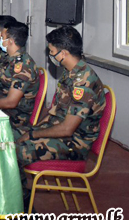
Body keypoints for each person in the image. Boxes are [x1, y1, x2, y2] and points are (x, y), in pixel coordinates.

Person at [14, 26, 106, 209]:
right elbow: (55, 111)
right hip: (61, 132)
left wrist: (33, 135)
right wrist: (33, 129)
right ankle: (18, 199)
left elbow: (67, 129)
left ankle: (25, 208)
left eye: (52, 51)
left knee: (17, 152)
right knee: (11, 137)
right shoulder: (70, 73)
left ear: (63, 53)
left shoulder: (84, 81)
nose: (50, 55)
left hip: (75, 143)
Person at [0, 21, 38, 129]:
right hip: (0, 109)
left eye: (2, 37)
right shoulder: (9, 59)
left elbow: (11, 102)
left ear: (10, 41)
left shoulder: (22, 66)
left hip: (13, 118)